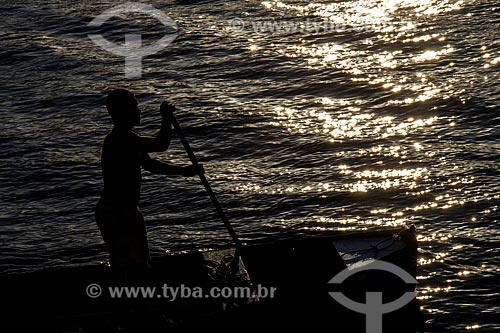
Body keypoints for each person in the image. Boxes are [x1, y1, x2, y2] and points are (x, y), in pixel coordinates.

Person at [95, 88, 201, 282]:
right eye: (134, 107)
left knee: (131, 263)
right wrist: (166, 118)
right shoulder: (122, 139)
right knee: (135, 265)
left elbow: (150, 164)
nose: (139, 111)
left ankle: (134, 304)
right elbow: (161, 144)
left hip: (121, 211)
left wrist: (183, 171)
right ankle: (138, 306)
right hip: (118, 213)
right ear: (122, 112)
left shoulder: (127, 140)